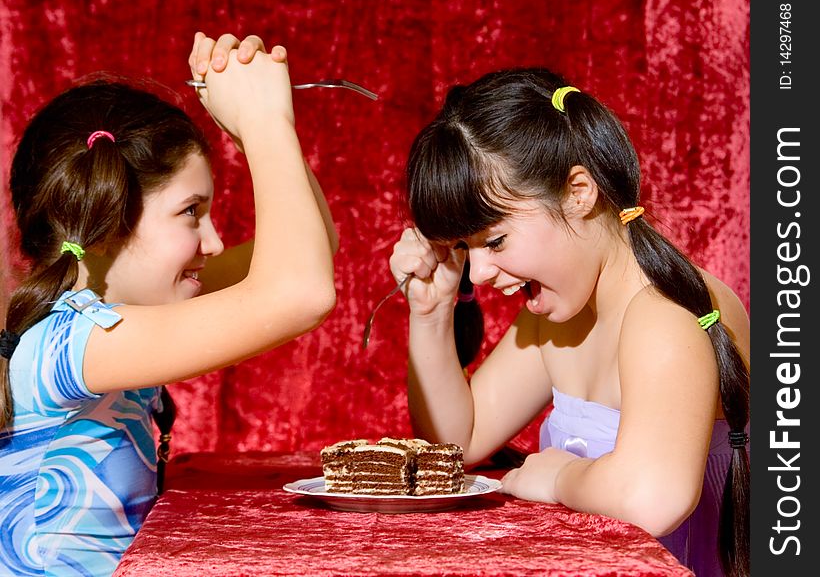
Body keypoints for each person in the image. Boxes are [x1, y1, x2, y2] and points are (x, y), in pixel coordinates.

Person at [388, 68, 750, 576]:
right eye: (463, 248)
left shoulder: (663, 313)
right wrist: (430, 313)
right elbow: (458, 444)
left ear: (579, 192)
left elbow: (655, 497)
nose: (480, 272)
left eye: (494, 241)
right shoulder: (554, 316)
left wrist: (560, 477)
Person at [0, 32, 338, 575]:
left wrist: (259, 133)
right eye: (190, 212)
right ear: (107, 218)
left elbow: (310, 252)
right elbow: (301, 293)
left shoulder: (93, 323)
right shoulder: (74, 343)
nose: (214, 243)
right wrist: (263, 122)